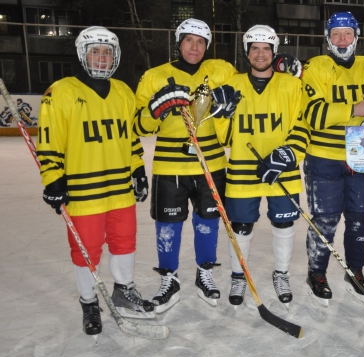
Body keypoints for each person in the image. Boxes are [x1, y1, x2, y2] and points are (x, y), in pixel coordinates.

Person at [133, 19, 300, 313]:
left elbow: (261, 75)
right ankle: (168, 280)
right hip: (169, 165)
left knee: (208, 224)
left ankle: (205, 274)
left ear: (207, 47)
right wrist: (154, 110)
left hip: (210, 163)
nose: (194, 47)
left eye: (200, 42)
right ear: (178, 42)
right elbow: (139, 126)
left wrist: (288, 64)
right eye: (188, 41)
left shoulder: (221, 71)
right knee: (167, 227)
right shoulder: (153, 76)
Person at [36, 26, 155, 337]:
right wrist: (52, 180)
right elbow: (49, 143)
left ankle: (123, 290)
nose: (102, 58)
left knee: (125, 243)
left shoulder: (123, 91)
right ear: (82, 54)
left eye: (107, 52)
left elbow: (129, 138)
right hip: (83, 191)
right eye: (95, 51)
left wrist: (137, 168)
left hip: (119, 190)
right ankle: (89, 302)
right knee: (86, 249)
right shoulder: (60, 92)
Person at [301, 11, 364, 306]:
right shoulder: (315, 67)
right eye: (335, 34)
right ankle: (316, 272)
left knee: (359, 220)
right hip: (323, 157)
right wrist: (355, 109)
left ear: (356, 36)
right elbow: (313, 114)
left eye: (347, 33)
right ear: (327, 38)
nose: (342, 39)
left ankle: (355, 271)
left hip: (363, 150)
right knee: (325, 220)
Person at [213, 25, 307, 308]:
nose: (260, 53)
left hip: (282, 170)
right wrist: (221, 116)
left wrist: (287, 154)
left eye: (266, 48)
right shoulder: (232, 83)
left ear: (274, 52)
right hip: (243, 169)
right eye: (255, 48)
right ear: (247, 52)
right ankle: (238, 275)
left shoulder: (291, 85)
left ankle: (281, 273)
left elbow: (301, 126)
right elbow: (224, 136)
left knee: (283, 221)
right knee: (240, 225)